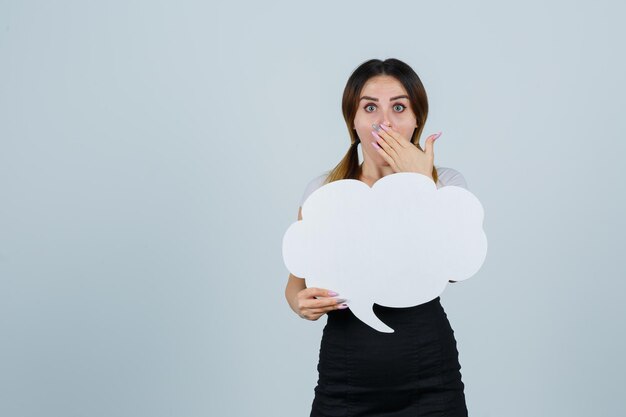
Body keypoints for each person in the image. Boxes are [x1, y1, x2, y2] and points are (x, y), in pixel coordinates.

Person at [284, 58, 469, 417]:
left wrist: (419, 183)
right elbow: (296, 284)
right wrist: (300, 304)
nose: (384, 121)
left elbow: (454, 268)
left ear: (417, 119)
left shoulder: (446, 185)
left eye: (399, 107)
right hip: (345, 381)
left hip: (431, 380)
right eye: (370, 107)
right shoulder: (325, 191)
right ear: (353, 121)